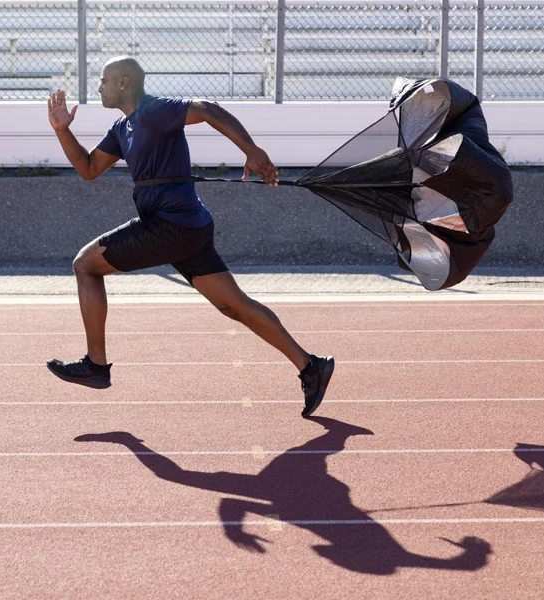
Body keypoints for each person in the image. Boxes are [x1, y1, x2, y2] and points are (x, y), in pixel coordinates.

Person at [45, 56, 333, 417]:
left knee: (85, 265)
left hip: (171, 225)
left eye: (104, 80)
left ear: (123, 83)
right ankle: (311, 367)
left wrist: (252, 151)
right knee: (235, 305)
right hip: (187, 228)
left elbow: (209, 109)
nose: (98, 86)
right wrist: (61, 130)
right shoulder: (123, 128)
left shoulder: (155, 111)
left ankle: (97, 366)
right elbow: (88, 169)